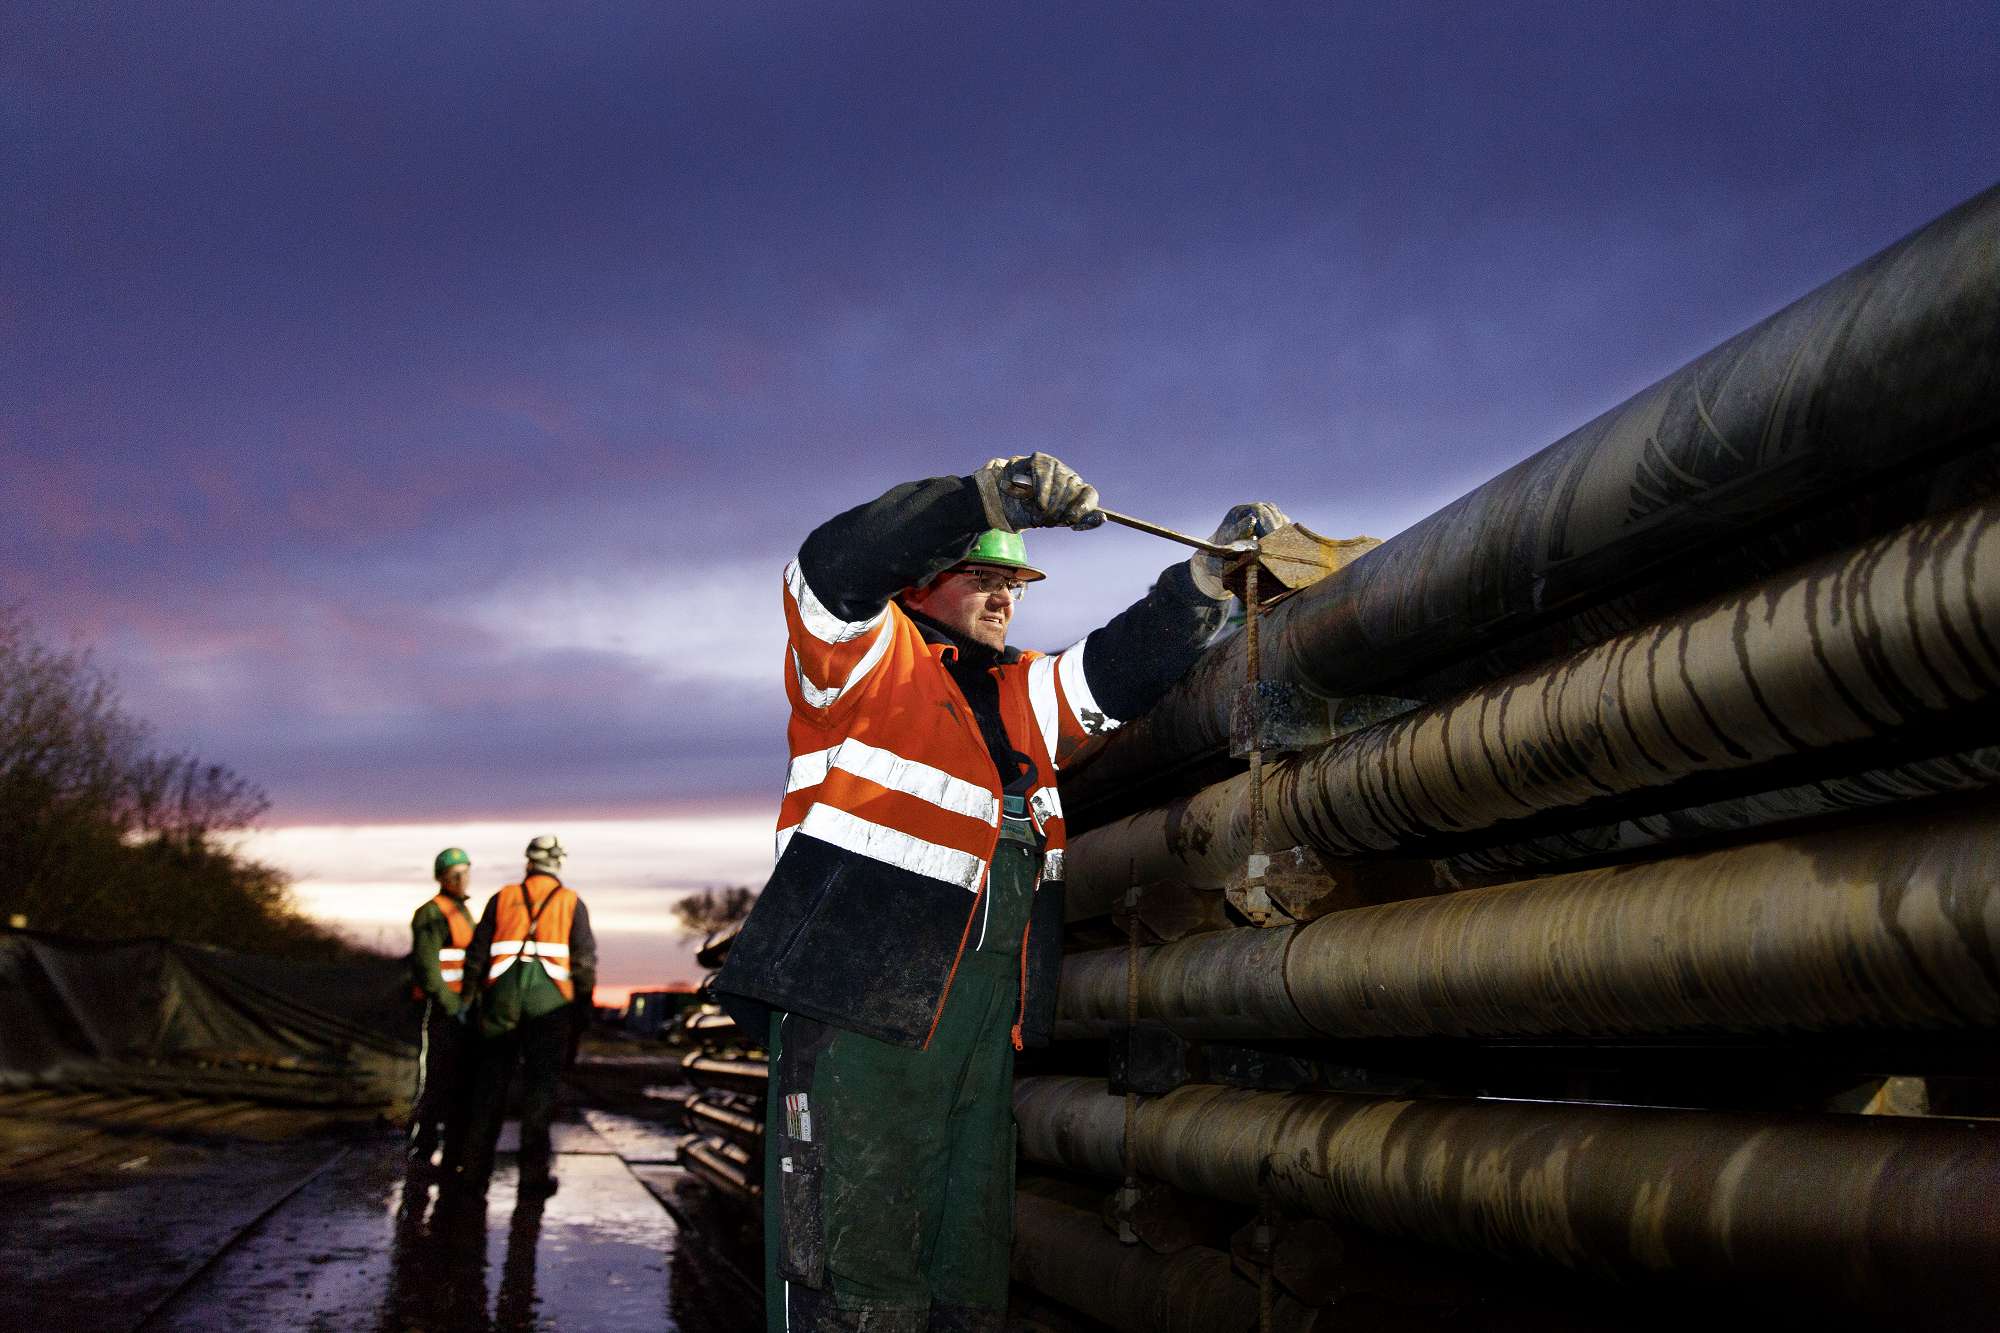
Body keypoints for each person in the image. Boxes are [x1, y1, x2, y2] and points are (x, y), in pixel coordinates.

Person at [716, 453, 1282, 1332]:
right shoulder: (861, 657)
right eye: (982, 577)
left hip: (980, 1033)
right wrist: (987, 496)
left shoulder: (1020, 695)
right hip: (859, 1011)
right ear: (923, 580)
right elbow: (830, 565)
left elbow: (1115, 669)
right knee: (851, 1283)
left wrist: (1205, 583)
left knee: (963, 1279)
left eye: (1013, 583)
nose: (1004, 596)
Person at [448, 834, 597, 1197]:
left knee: (489, 1089)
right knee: (540, 1093)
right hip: (550, 1006)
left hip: (502, 1001)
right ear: (557, 864)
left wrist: (469, 1000)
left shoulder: (503, 898)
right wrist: (582, 1011)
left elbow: (477, 955)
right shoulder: (571, 903)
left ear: (528, 862)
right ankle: (533, 1178)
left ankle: (473, 1174)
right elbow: (584, 962)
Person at [407, 846, 476, 1172]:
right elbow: (427, 966)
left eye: (465, 872)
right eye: (455, 874)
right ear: (443, 878)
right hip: (442, 1012)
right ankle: (422, 1151)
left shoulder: (461, 913)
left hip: (462, 1010)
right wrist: (451, 1005)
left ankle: (453, 1152)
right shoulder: (432, 913)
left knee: (460, 1084)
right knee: (436, 1082)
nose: (462, 879)